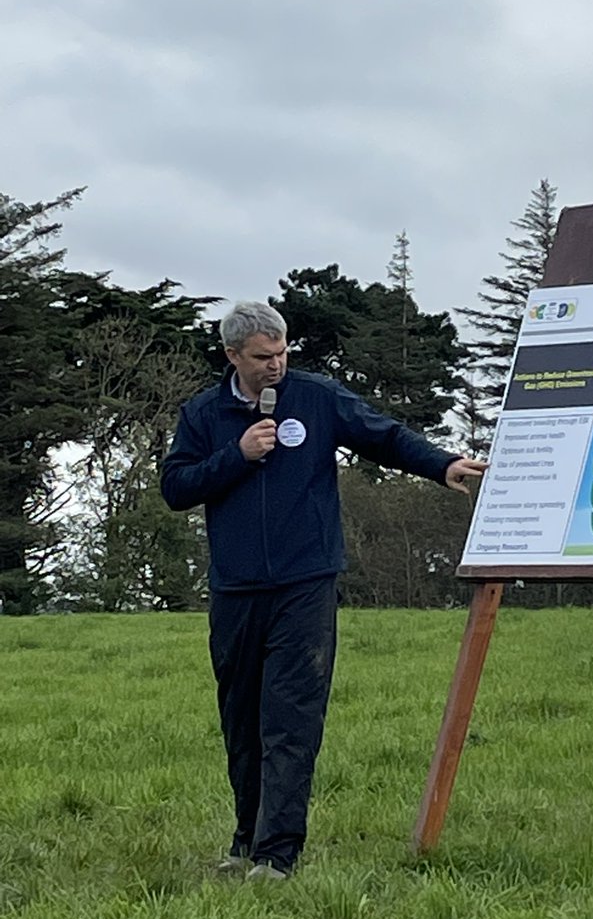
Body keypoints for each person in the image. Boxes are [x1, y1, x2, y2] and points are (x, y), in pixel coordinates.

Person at [161, 301, 486, 881]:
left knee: (290, 721)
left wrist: (442, 466)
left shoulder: (317, 396)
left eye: (283, 352)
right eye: (263, 357)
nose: (276, 366)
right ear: (233, 356)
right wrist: (236, 456)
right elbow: (177, 487)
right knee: (242, 722)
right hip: (235, 591)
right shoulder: (203, 414)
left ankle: (277, 855)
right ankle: (245, 842)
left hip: (305, 584)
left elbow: (383, 437)